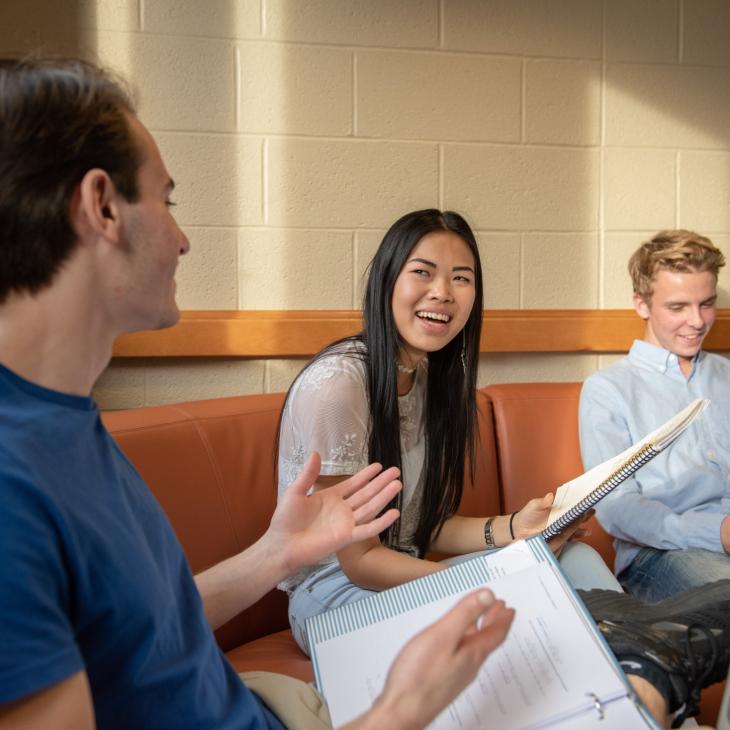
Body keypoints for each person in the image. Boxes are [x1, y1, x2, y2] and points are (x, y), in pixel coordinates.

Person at [0, 58, 726, 730]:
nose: (186, 238)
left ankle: (646, 670)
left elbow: (144, 620)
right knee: (628, 657)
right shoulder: (21, 474)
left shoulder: (69, 428)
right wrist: (402, 703)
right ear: (101, 206)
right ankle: (649, 672)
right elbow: (356, 564)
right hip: (345, 609)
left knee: (591, 603)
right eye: (168, 199)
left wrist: (279, 556)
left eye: (463, 278)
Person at [277, 208, 619, 655]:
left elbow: (425, 526)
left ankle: (651, 694)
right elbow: (360, 563)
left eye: (461, 278)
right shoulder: (339, 386)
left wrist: (519, 528)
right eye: (422, 272)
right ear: (387, 281)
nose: (442, 293)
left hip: (404, 574)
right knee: (516, 619)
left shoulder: (429, 380)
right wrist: (490, 581)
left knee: (575, 558)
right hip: (336, 597)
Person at [579, 230, 730, 603]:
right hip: (662, 553)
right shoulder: (608, 389)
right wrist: (720, 531)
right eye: (677, 308)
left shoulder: (726, 376)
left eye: (707, 304)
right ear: (641, 304)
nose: (697, 321)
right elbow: (616, 509)